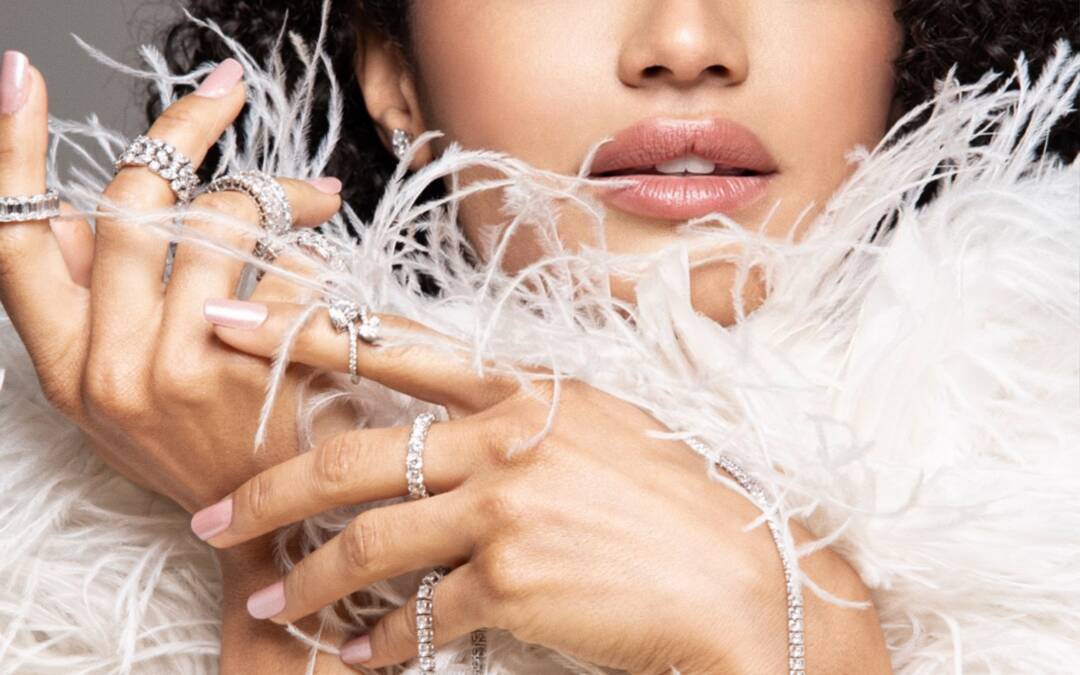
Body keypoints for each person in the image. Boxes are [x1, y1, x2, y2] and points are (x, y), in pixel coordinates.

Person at [0, 1, 1076, 673]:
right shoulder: (51, 594)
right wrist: (292, 532)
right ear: (395, 77)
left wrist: (786, 626)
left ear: (915, 33)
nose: (685, 45)